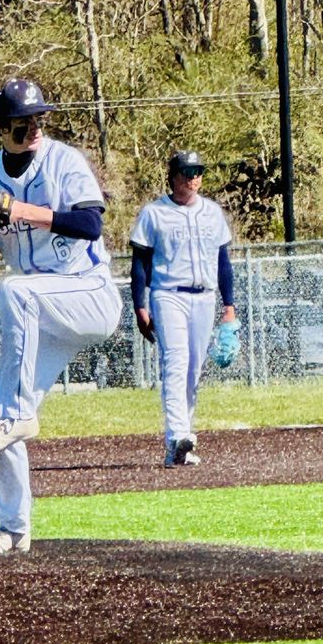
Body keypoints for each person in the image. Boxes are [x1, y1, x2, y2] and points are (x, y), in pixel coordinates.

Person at [0, 78, 122, 555]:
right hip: (40, 312)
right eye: (23, 123)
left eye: (38, 120)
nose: (34, 129)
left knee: (17, 290)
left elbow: (90, 223)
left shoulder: (63, 161)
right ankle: (12, 529)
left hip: (87, 295)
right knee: (1, 416)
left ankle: (20, 417)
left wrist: (18, 209)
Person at [129, 149, 237, 468]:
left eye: (198, 172)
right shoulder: (154, 213)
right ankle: (176, 436)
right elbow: (140, 265)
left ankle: (183, 444)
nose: (193, 178)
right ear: (173, 176)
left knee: (193, 371)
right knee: (176, 363)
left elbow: (224, 264)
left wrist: (229, 307)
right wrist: (140, 306)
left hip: (204, 296)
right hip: (168, 294)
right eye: (187, 172)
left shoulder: (212, 212)